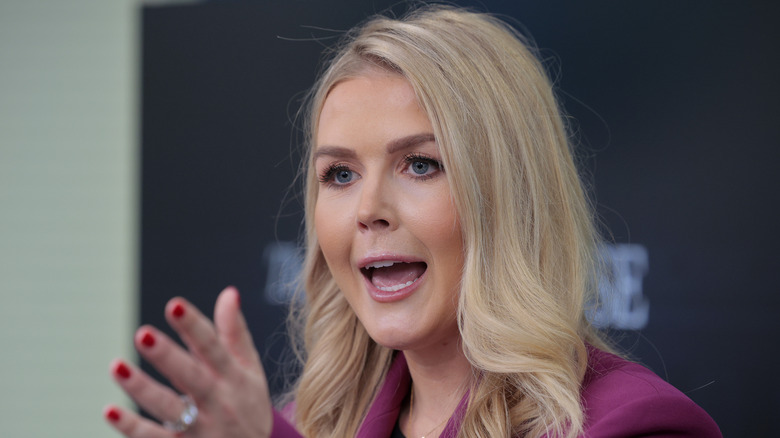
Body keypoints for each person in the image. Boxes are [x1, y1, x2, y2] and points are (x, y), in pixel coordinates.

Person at [104, 5, 721, 438]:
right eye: (339, 175)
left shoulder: (635, 424)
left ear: (507, 194)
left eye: (420, 165)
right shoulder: (308, 422)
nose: (369, 209)